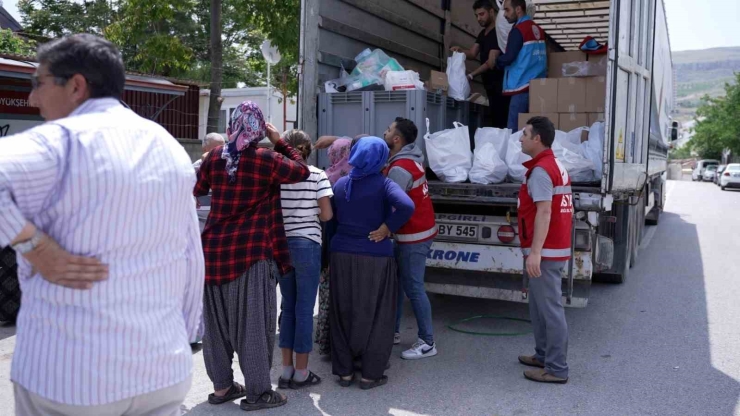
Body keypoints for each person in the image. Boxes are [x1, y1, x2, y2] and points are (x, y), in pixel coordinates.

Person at [1, 34, 203, 415]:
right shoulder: (167, 146)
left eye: (38, 83)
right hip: (161, 371)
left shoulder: (60, 142)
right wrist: (184, 337)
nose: (32, 99)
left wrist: (32, 244)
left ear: (76, 85)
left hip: (72, 378)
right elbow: (191, 256)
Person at [194, 101, 310, 411]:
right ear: (259, 128)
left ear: (231, 124)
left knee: (215, 327)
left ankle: (221, 388)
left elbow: (199, 187)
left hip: (213, 253)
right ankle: (258, 393)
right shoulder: (267, 159)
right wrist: (280, 140)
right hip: (251, 254)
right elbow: (302, 170)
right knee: (254, 326)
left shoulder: (214, 158)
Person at [330, 137, 414, 390]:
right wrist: (388, 227)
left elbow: (330, 223)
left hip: (341, 253)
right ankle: (370, 375)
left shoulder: (341, 184)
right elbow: (407, 206)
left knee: (343, 312)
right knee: (378, 315)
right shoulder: (384, 184)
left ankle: (344, 372)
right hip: (375, 254)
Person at [516, 116, 572, 384]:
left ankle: (556, 368)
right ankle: (543, 356)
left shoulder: (541, 170)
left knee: (549, 308)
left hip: (546, 250)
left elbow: (545, 211)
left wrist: (535, 252)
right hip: (551, 247)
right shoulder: (552, 164)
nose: (521, 138)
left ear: (537, 138)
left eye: (525, 134)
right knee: (539, 307)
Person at [277, 130, 334, 390]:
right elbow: (326, 215)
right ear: (308, 149)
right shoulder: (317, 175)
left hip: (281, 246)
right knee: (304, 310)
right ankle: (302, 372)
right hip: (307, 245)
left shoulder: (276, 177)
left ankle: (285, 369)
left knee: (287, 307)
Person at [382, 118, 439, 360]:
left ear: (397, 139)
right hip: (417, 232)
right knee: (397, 285)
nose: (384, 131)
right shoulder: (411, 159)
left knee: (414, 288)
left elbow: (394, 206)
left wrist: (385, 228)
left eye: (388, 129)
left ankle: (427, 342)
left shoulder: (399, 169)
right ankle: (392, 331)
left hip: (412, 236)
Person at [315, 137, 353, 356]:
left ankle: (326, 340)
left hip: (329, 241)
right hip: (352, 243)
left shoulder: (328, 178)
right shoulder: (358, 174)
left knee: (329, 292)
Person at [450, 0, 510, 128]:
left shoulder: (497, 33)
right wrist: (460, 51)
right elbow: (472, 53)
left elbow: (490, 62)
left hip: (500, 85)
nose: (479, 18)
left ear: (492, 12)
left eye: (482, 14)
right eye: (476, 15)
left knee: (501, 120)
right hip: (489, 85)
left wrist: (471, 75)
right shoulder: (482, 34)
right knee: (494, 118)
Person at [496, 0, 547, 131]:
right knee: (535, 130)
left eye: (507, 10)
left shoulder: (518, 30)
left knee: (514, 129)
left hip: (521, 85)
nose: (505, 15)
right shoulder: (538, 29)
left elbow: (509, 57)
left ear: (518, 9)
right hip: (539, 87)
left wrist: (496, 62)